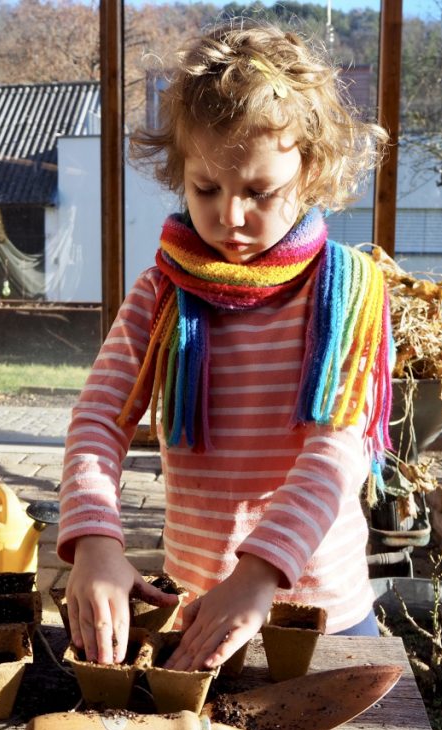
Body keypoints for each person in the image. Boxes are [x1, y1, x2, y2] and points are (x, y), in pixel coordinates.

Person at [57, 19, 393, 672]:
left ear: (311, 170)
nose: (229, 217)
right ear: (180, 171)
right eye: (206, 188)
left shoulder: (349, 292)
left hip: (324, 611)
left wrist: (259, 575)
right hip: (201, 605)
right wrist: (95, 542)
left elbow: (337, 451)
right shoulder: (161, 293)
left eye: (259, 192)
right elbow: (99, 418)